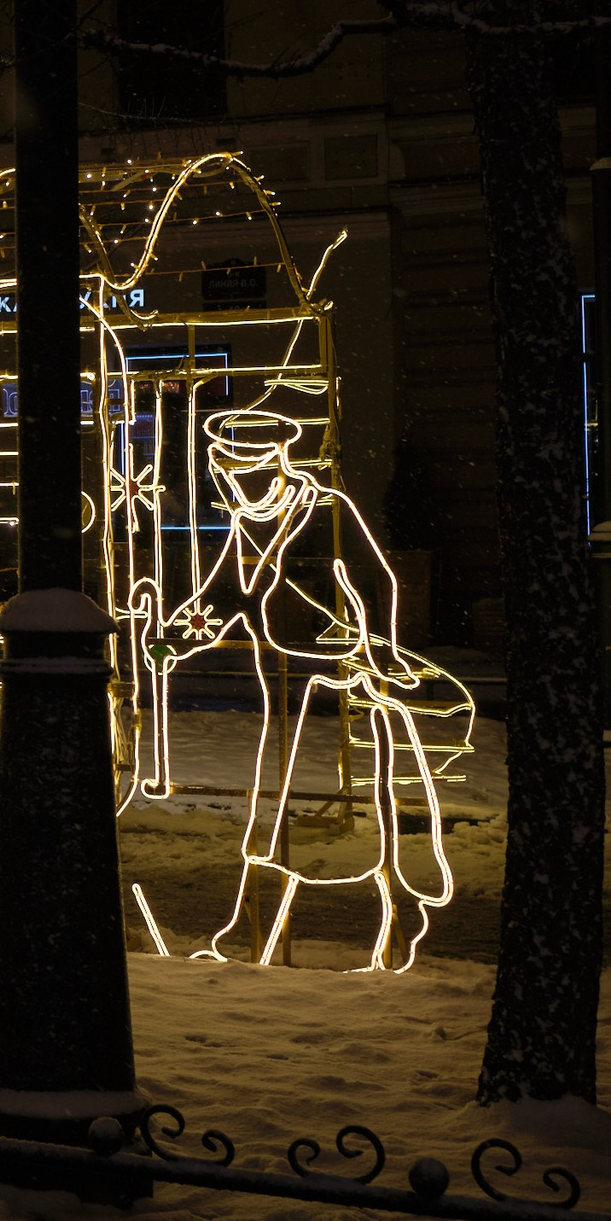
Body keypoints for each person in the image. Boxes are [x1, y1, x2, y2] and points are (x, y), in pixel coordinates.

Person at [147, 411, 468, 972]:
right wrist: (178, 636)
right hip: (285, 682)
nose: (232, 487)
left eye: (241, 475)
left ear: (275, 464)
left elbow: (376, 581)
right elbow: (225, 594)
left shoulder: (326, 513)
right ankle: (249, 931)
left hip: (339, 682)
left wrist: (378, 651)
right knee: (269, 821)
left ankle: (384, 933)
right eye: (224, 475)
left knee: (362, 838)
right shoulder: (246, 523)